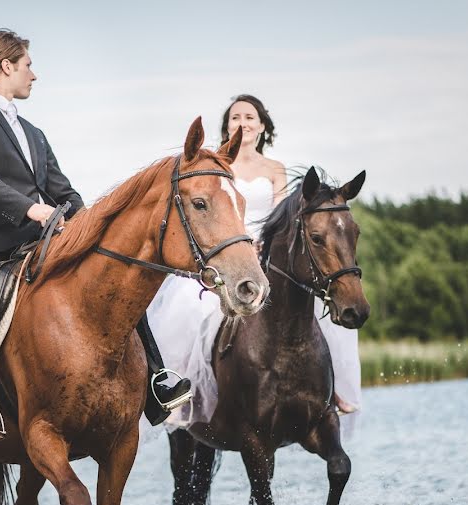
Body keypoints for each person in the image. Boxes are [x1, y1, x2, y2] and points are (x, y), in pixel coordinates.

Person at [0, 30, 187, 454]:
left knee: (118, 284)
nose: (33, 75)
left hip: (45, 241)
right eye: (28, 65)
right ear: (6, 65)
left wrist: (86, 220)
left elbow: (62, 189)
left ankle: (155, 379)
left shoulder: (35, 132)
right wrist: (28, 208)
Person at [147, 94, 360, 429]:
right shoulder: (219, 165)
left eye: (249, 117)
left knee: (324, 307)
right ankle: (185, 398)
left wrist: (265, 244)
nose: (242, 123)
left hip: (266, 254)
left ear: (263, 126)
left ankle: (334, 391)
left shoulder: (275, 170)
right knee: (188, 311)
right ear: (227, 127)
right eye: (235, 118)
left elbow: (282, 216)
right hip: (222, 254)